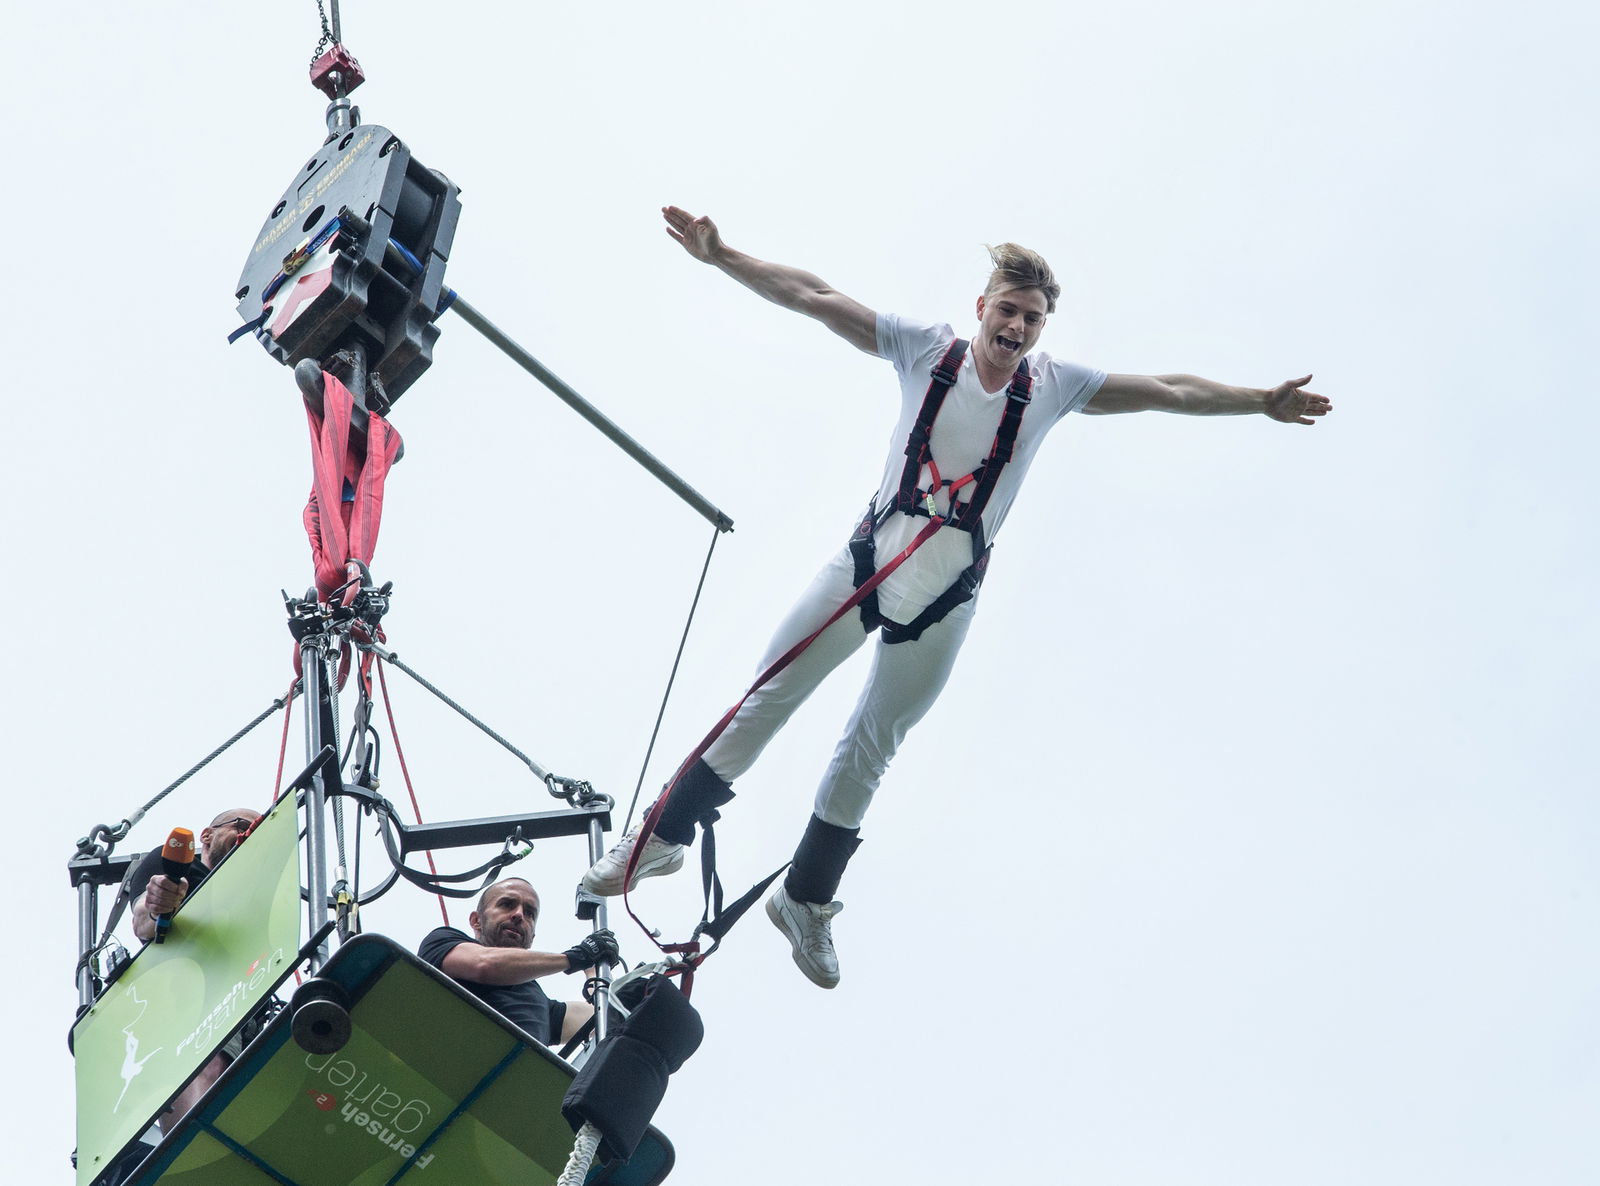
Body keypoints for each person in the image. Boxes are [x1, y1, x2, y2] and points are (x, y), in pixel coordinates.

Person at [584, 207, 1333, 990]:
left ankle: (804, 899)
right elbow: (813, 294)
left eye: (1032, 319)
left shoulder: (1055, 388)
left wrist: (1260, 400)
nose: (1017, 328)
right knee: (770, 693)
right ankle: (661, 838)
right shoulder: (923, 349)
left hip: (945, 598)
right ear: (982, 308)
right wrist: (723, 256)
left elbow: (1169, 389)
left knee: (872, 745)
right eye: (1007, 310)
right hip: (865, 565)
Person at [126, 807, 264, 1132]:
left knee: (233, 1072)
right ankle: (191, 1141)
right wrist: (162, 901)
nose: (249, 836)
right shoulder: (179, 866)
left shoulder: (252, 899)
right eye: (242, 826)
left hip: (241, 998)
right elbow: (144, 918)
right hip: (185, 992)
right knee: (206, 1061)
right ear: (207, 836)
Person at [418, 877, 620, 1048]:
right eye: (506, 904)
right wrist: (574, 957)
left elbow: (605, 1018)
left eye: (530, 913)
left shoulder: (541, 1007)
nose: (518, 915)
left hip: (505, 1082)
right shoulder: (443, 941)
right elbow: (484, 965)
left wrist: (593, 971)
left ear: (532, 936)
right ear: (476, 920)